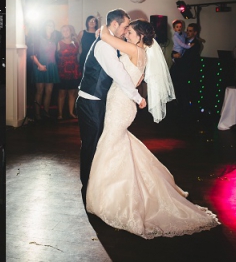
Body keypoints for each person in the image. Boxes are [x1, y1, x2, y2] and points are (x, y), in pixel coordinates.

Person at [85, 18, 217, 238]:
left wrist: (110, 22)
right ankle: (118, 192)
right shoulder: (141, 52)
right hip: (121, 102)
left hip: (120, 105)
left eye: (130, 31)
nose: (126, 34)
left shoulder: (134, 49)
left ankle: (112, 199)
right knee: (118, 144)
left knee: (110, 143)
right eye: (126, 31)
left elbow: (106, 36)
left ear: (140, 36)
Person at [77, 9, 146, 206]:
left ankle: (98, 184)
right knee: (91, 145)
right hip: (90, 102)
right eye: (125, 27)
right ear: (114, 25)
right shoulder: (105, 47)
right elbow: (119, 74)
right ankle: (88, 186)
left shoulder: (109, 42)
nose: (126, 32)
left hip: (99, 101)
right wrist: (136, 95)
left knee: (100, 143)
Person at [31, 21, 60, 120]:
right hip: (39, 66)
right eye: (49, 25)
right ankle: (37, 114)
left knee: (49, 91)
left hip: (51, 67)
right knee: (40, 90)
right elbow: (32, 54)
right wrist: (39, 65)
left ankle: (46, 112)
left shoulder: (55, 39)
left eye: (52, 25)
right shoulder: (38, 38)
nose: (51, 27)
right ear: (44, 27)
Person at [56, 24, 81, 120]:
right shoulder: (59, 43)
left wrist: (77, 40)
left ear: (71, 31)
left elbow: (80, 53)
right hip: (63, 70)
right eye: (63, 31)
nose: (66, 32)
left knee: (72, 92)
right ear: (61, 33)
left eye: (67, 30)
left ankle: (71, 112)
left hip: (74, 70)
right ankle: (60, 114)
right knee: (62, 93)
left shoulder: (76, 42)